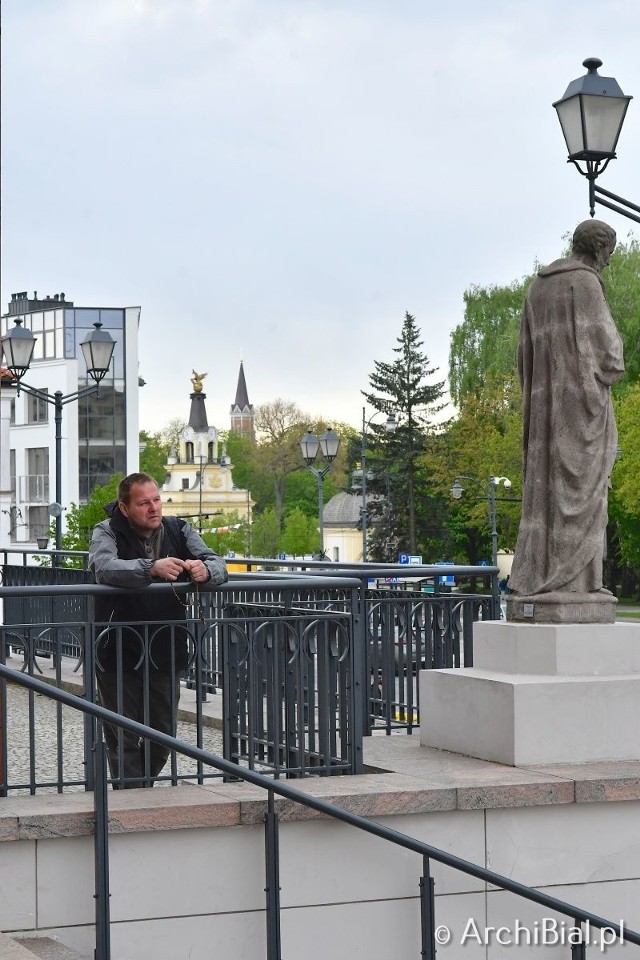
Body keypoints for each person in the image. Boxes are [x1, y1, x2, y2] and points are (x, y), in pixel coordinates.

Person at [509, 219, 624, 599]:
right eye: (607, 253)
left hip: (545, 412)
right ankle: (578, 583)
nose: (607, 262)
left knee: (546, 494)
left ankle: (547, 575)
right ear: (598, 250)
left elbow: (523, 358)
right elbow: (609, 356)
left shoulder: (537, 288)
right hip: (580, 412)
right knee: (585, 493)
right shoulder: (586, 283)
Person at [89, 472, 228, 786]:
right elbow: (103, 566)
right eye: (143, 503)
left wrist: (204, 569)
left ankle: (139, 789)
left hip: (166, 645)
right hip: (116, 647)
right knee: (122, 732)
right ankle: (132, 797)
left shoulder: (179, 529)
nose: (153, 508)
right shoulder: (107, 530)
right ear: (125, 508)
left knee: (164, 733)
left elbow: (218, 563)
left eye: (156, 500)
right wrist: (149, 568)